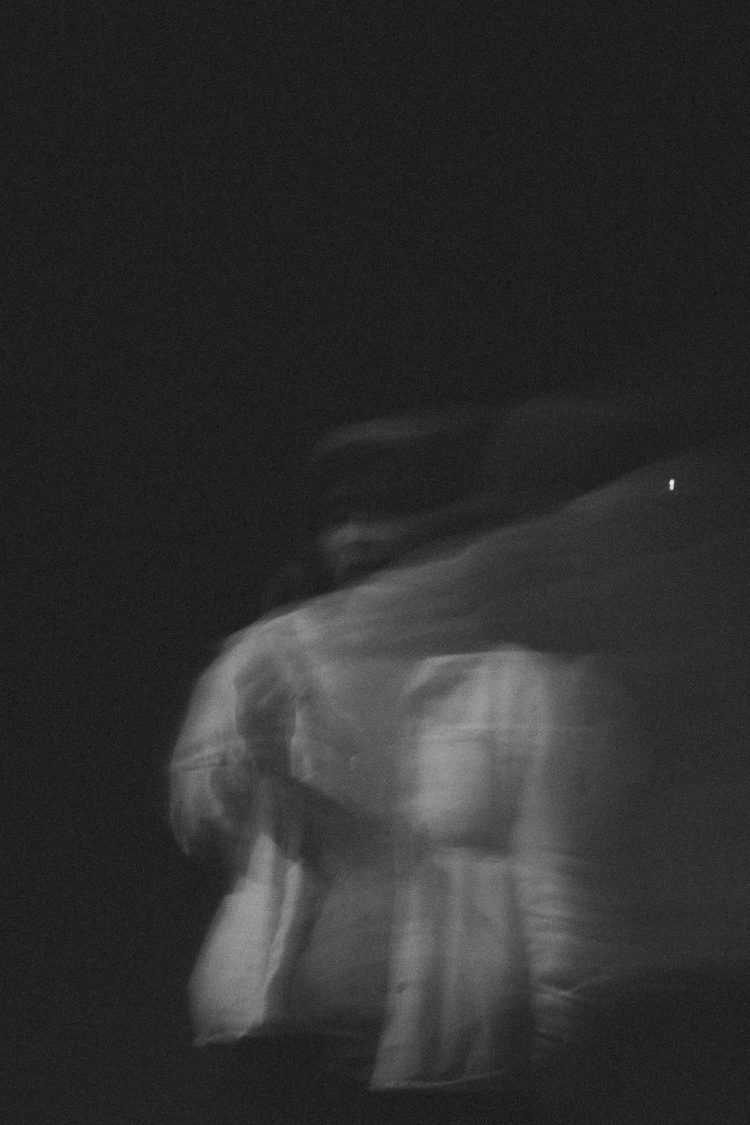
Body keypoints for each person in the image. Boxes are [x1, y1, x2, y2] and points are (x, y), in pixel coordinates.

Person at [169, 394, 750, 1120]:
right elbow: (202, 821)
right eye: (343, 521)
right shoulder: (268, 660)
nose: (359, 541)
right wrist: (244, 760)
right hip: (273, 1031)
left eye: (384, 519)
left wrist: (568, 1018)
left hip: (441, 1048)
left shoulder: (520, 681)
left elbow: (557, 872)